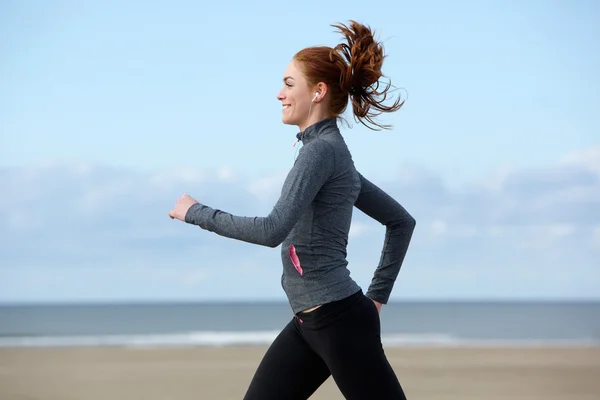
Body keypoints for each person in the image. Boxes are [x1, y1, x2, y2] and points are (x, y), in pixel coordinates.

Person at [169, 20, 416, 400]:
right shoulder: (332, 155)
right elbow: (401, 221)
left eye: (288, 84)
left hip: (339, 322)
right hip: (310, 323)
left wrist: (196, 212)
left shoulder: (321, 152)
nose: (279, 94)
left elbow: (272, 230)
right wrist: (375, 300)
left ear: (317, 92)